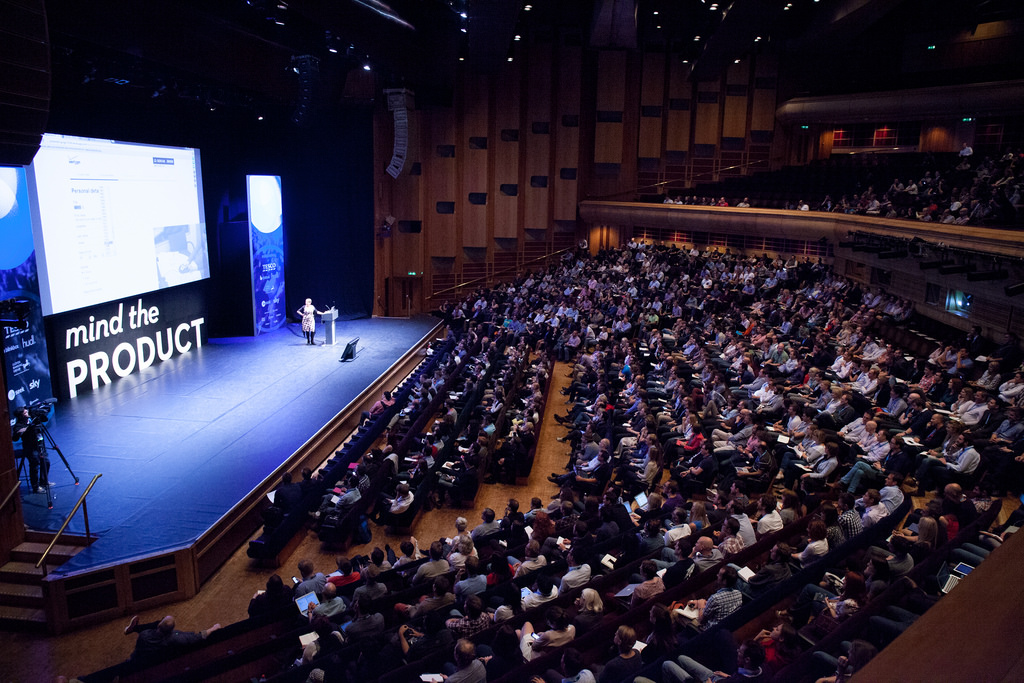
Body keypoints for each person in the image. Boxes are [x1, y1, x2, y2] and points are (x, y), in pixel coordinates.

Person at [123, 614, 221, 663]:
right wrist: (214, 628)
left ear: (159, 626)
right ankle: (134, 628)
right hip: (161, 662)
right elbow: (198, 637)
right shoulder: (176, 638)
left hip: (137, 661)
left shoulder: (144, 635)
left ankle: (134, 628)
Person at [12, 407, 49, 493]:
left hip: (39, 445)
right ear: (21, 416)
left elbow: (44, 419)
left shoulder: (32, 419)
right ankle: (35, 487)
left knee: (46, 462)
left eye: (26, 412)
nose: (27, 413)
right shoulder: (18, 425)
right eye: (25, 413)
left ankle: (43, 482)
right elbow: (15, 438)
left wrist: (41, 414)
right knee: (34, 465)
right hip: (30, 448)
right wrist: (27, 428)